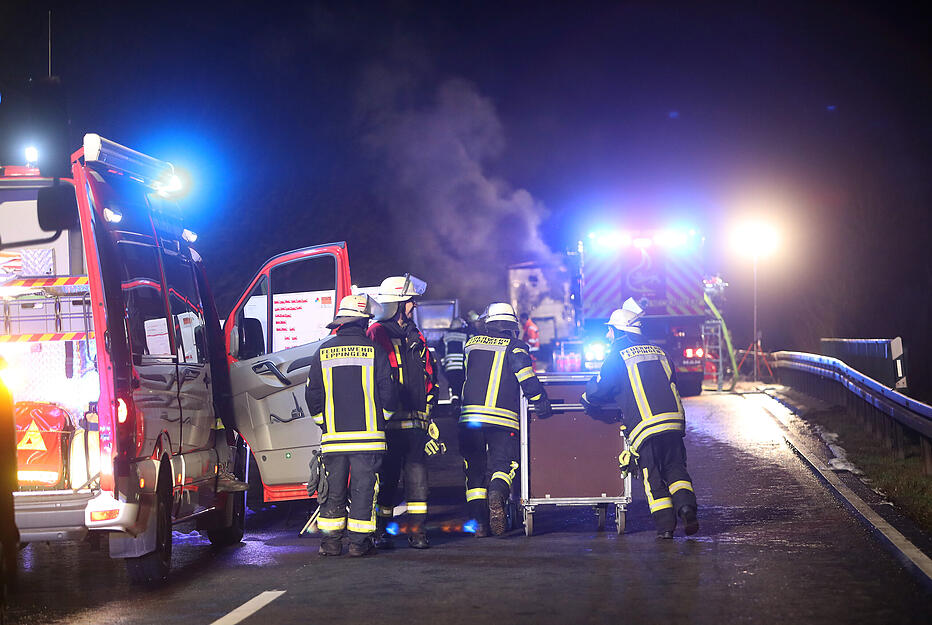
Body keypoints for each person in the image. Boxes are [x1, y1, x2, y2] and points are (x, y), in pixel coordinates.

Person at [581, 297, 699, 539]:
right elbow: (672, 382)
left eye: (610, 330)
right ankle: (687, 508)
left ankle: (666, 526)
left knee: (651, 474)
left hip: (645, 427)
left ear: (619, 330)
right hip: (674, 422)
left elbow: (600, 391)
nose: (608, 335)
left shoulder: (617, 355)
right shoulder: (660, 351)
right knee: (676, 468)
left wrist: (587, 395)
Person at [305, 295, 397, 557]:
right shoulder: (375, 351)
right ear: (363, 322)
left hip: (334, 439)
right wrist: (382, 420)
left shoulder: (323, 351)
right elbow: (389, 393)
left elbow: (312, 394)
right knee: (363, 489)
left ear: (341, 323)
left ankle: (331, 543)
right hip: (369, 440)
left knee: (332, 489)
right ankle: (358, 543)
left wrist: (324, 424)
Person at [459, 303, 551, 536]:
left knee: (474, 470)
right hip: (502, 418)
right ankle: (497, 493)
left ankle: (480, 525)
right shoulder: (516, 346)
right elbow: (525, 377)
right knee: (504, 463)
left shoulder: (471, 344)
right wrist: (540, 400)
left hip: (469, 418)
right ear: (511, 325)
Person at [367, 274, 441, 549]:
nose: (414, 305)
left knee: (418, 479)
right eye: (410, 301)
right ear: (396, 304)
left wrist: (430, 410)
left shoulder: (415, 334)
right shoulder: (377, 333)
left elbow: (428, 374)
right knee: (387, 479)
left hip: (415, 422)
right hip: (388, 423)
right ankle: (381, 532)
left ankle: (418, 533)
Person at [441, 317, 469, 403]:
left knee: (453, 384)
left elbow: (441, 351)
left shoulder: (445, 337)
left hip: (449, 366)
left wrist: (443, 364)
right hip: (461, 366)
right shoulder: (465, 336)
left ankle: (454, 399)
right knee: (460, 384)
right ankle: (459, 402)